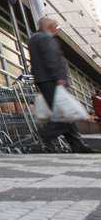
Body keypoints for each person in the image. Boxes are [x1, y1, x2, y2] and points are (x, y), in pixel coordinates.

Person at [28, 17, 93, 153]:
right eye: (57, 27)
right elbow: (51, 58)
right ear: (50, 27)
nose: (57, 30)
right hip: (52, 80)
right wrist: (59, 78)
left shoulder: (33, 39)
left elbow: (35, 63)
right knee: (63, 115)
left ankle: (77, 145)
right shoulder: (46, 38)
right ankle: (43, 136)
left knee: (63, 112)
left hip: (43, 80)